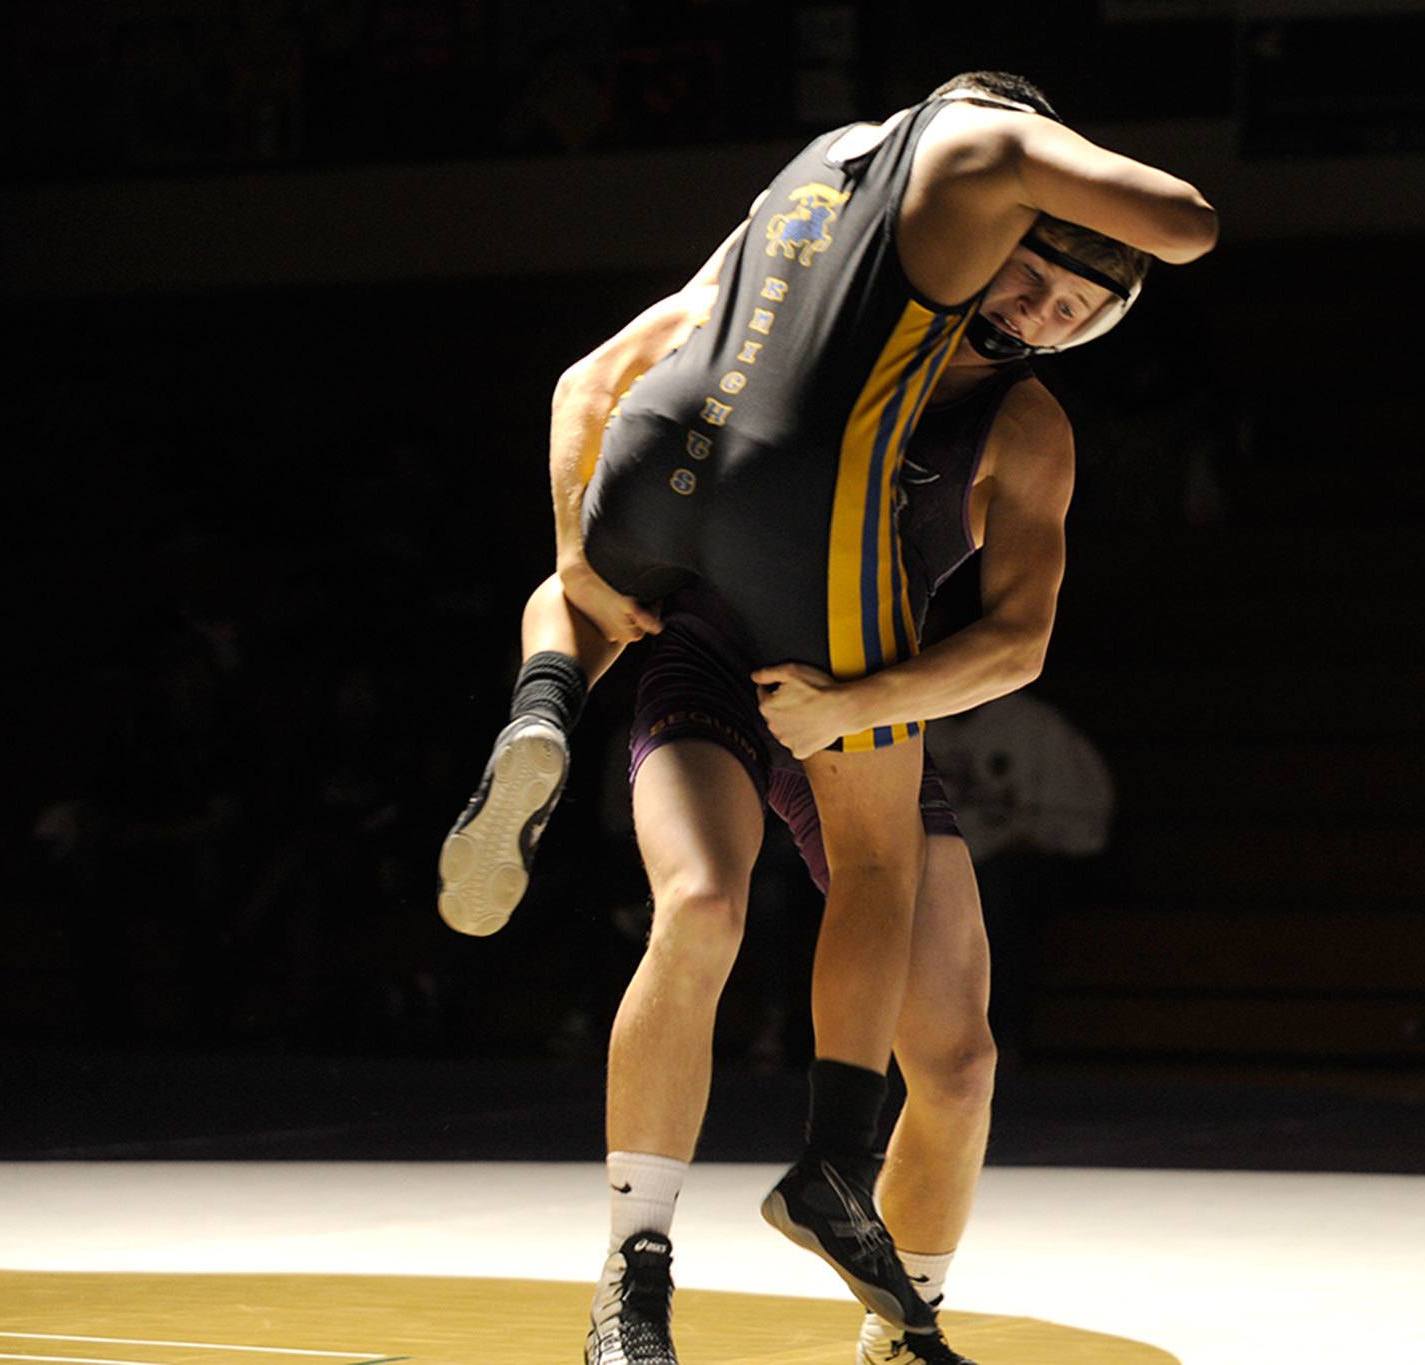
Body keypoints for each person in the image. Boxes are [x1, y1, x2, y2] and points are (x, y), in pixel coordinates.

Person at [438, 66, 1202, 1358]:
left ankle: (903, 1328)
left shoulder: (1027, 424)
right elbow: (599, 382)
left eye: (1070, 314)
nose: (1036, 314)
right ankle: (634, 1278)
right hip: (720, 660)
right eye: (1034, 280)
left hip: (857, 698)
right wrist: (582, 556)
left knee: (959, 1055)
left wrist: (866, 696)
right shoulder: (819, 309)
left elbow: (1017, 643)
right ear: (995, 235)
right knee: (699, 907)